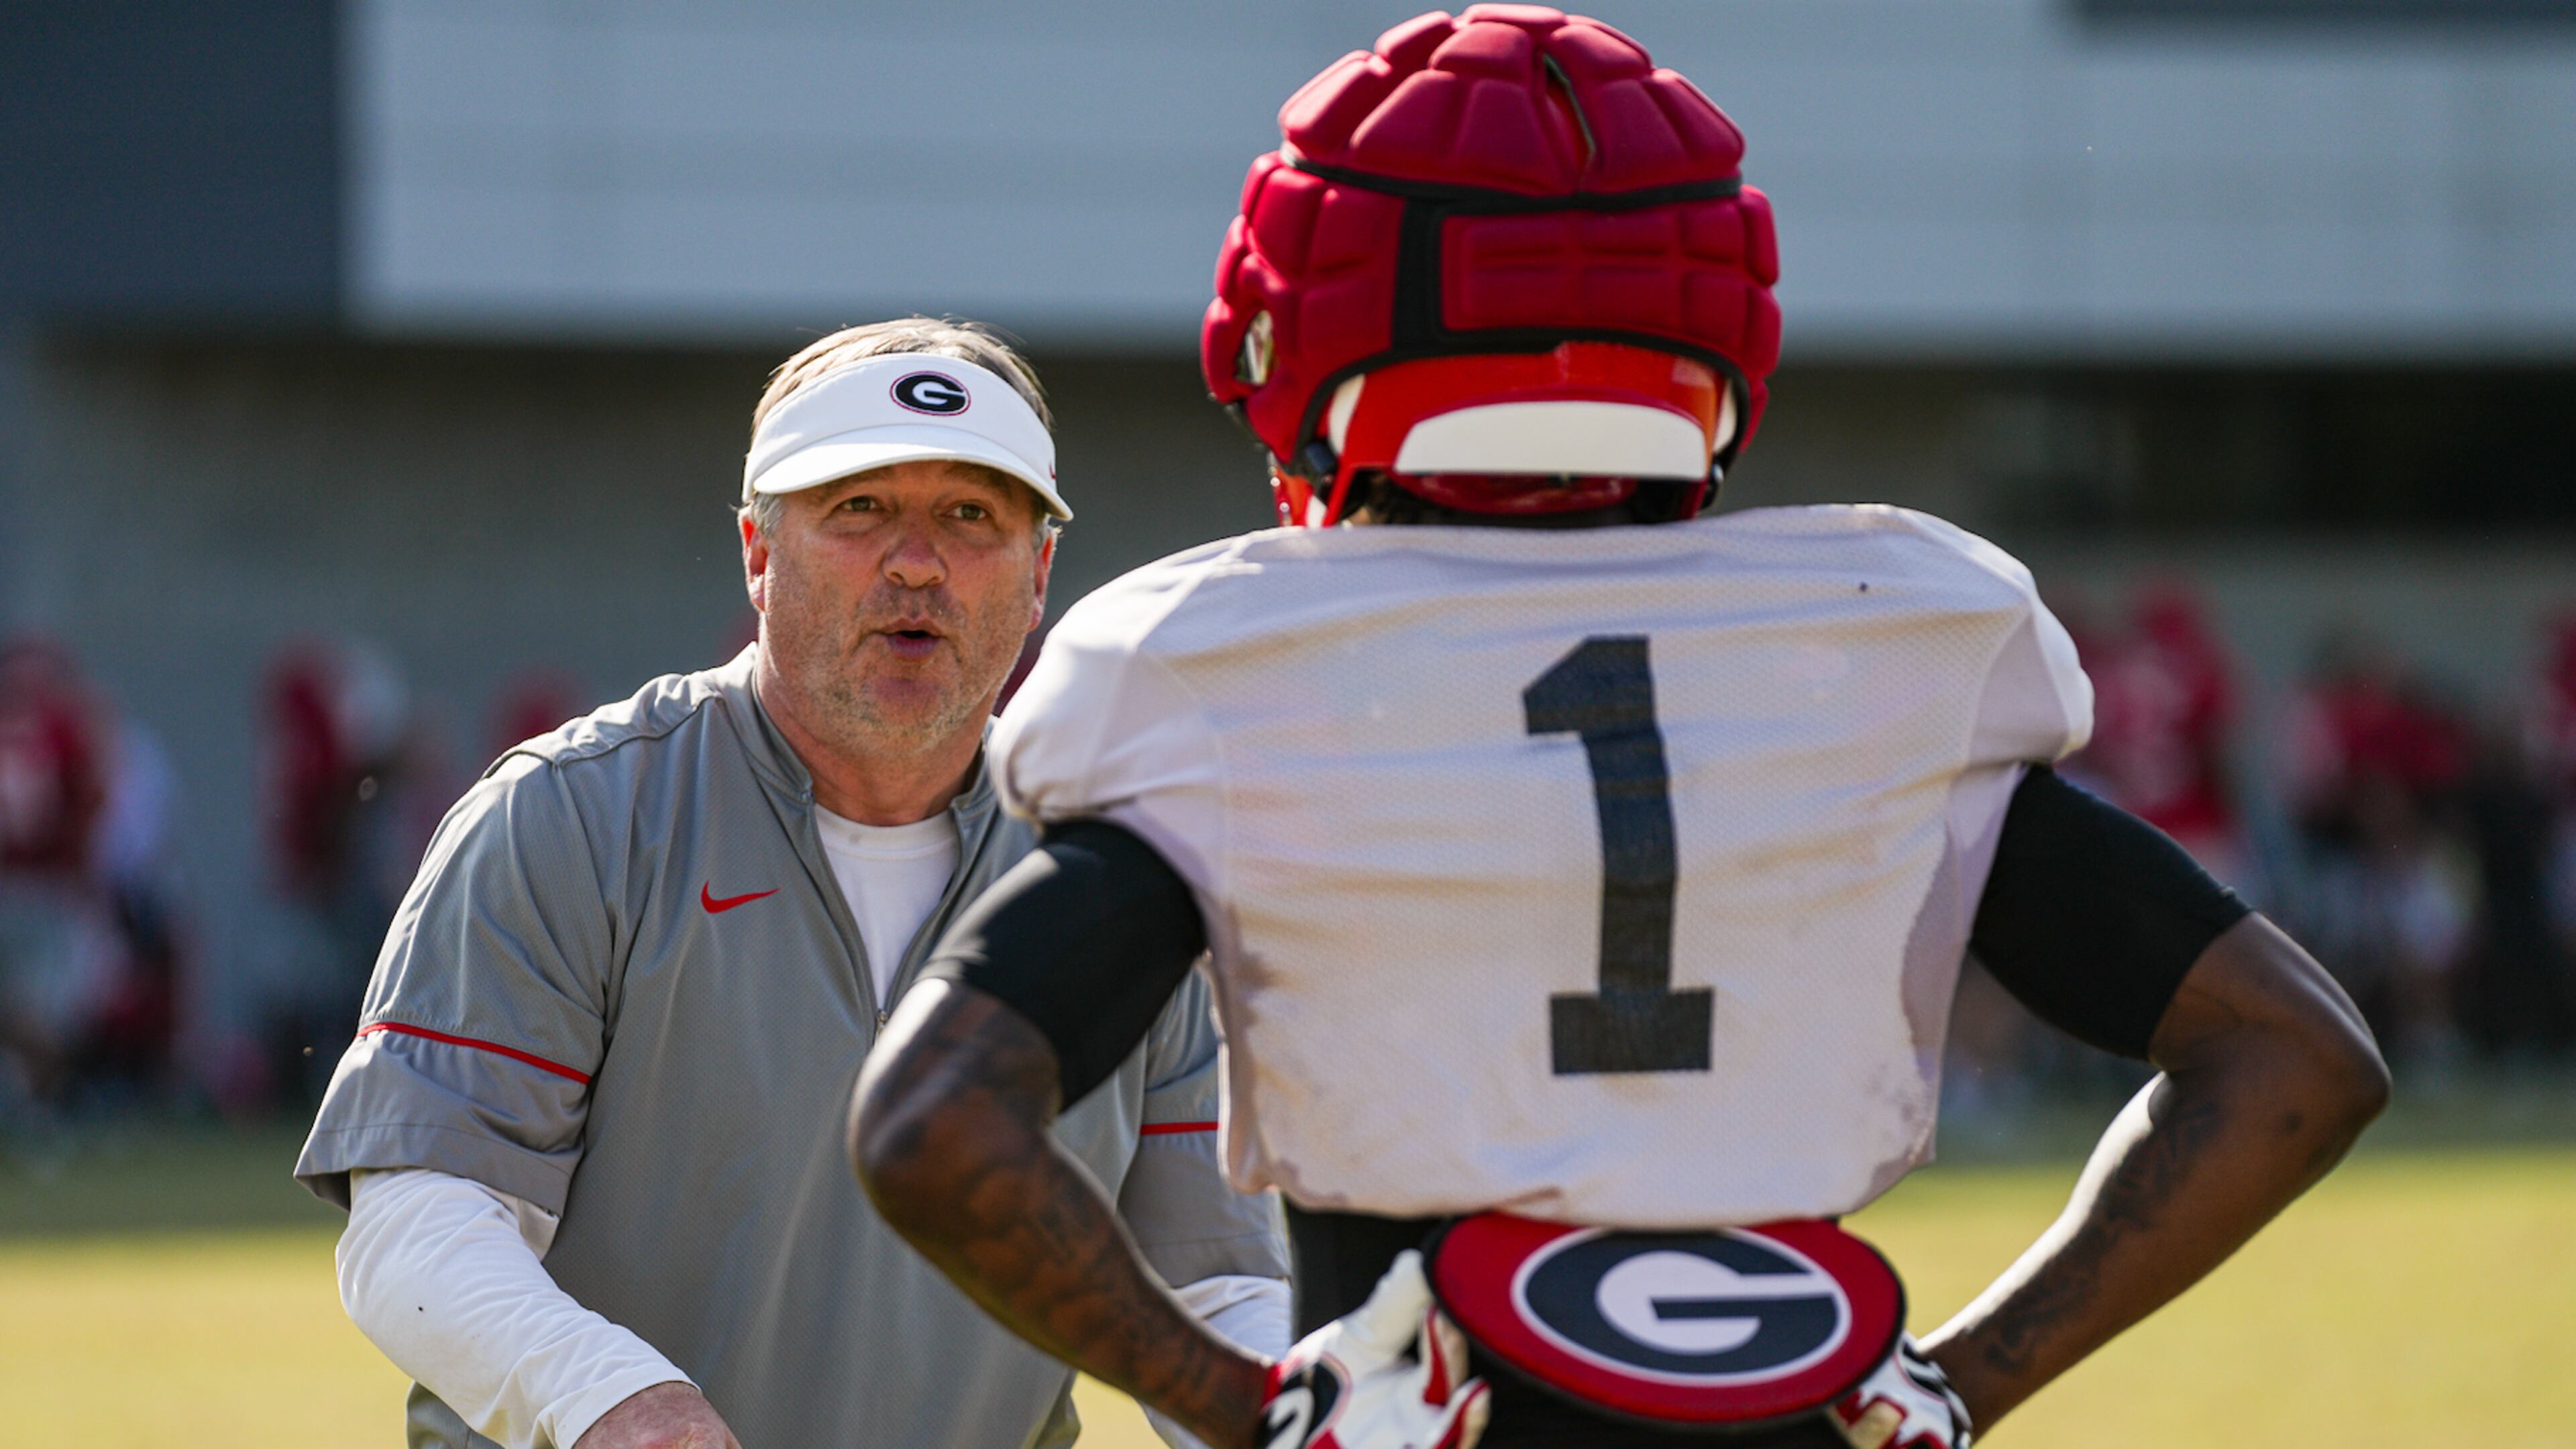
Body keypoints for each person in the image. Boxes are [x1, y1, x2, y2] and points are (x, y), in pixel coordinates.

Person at [849, 14, 2389, 1449]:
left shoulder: (1231, 664)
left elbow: (934, 1123)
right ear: (1720, 324)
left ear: (1300, 323)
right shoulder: (1880, 637)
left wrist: (1255, 1412)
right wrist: (1956, 1385)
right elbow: (2298, 1056)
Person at [296, 318, 1287, 1449]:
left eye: (972, 516)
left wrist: (1306, 1418)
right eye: (859, 509)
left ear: (1039, 573)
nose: (916, 562)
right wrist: (612, 1399)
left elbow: (1212, 1294)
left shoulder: (1127, 866)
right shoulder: (573, 816)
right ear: (759, 554)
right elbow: (418, 1221)